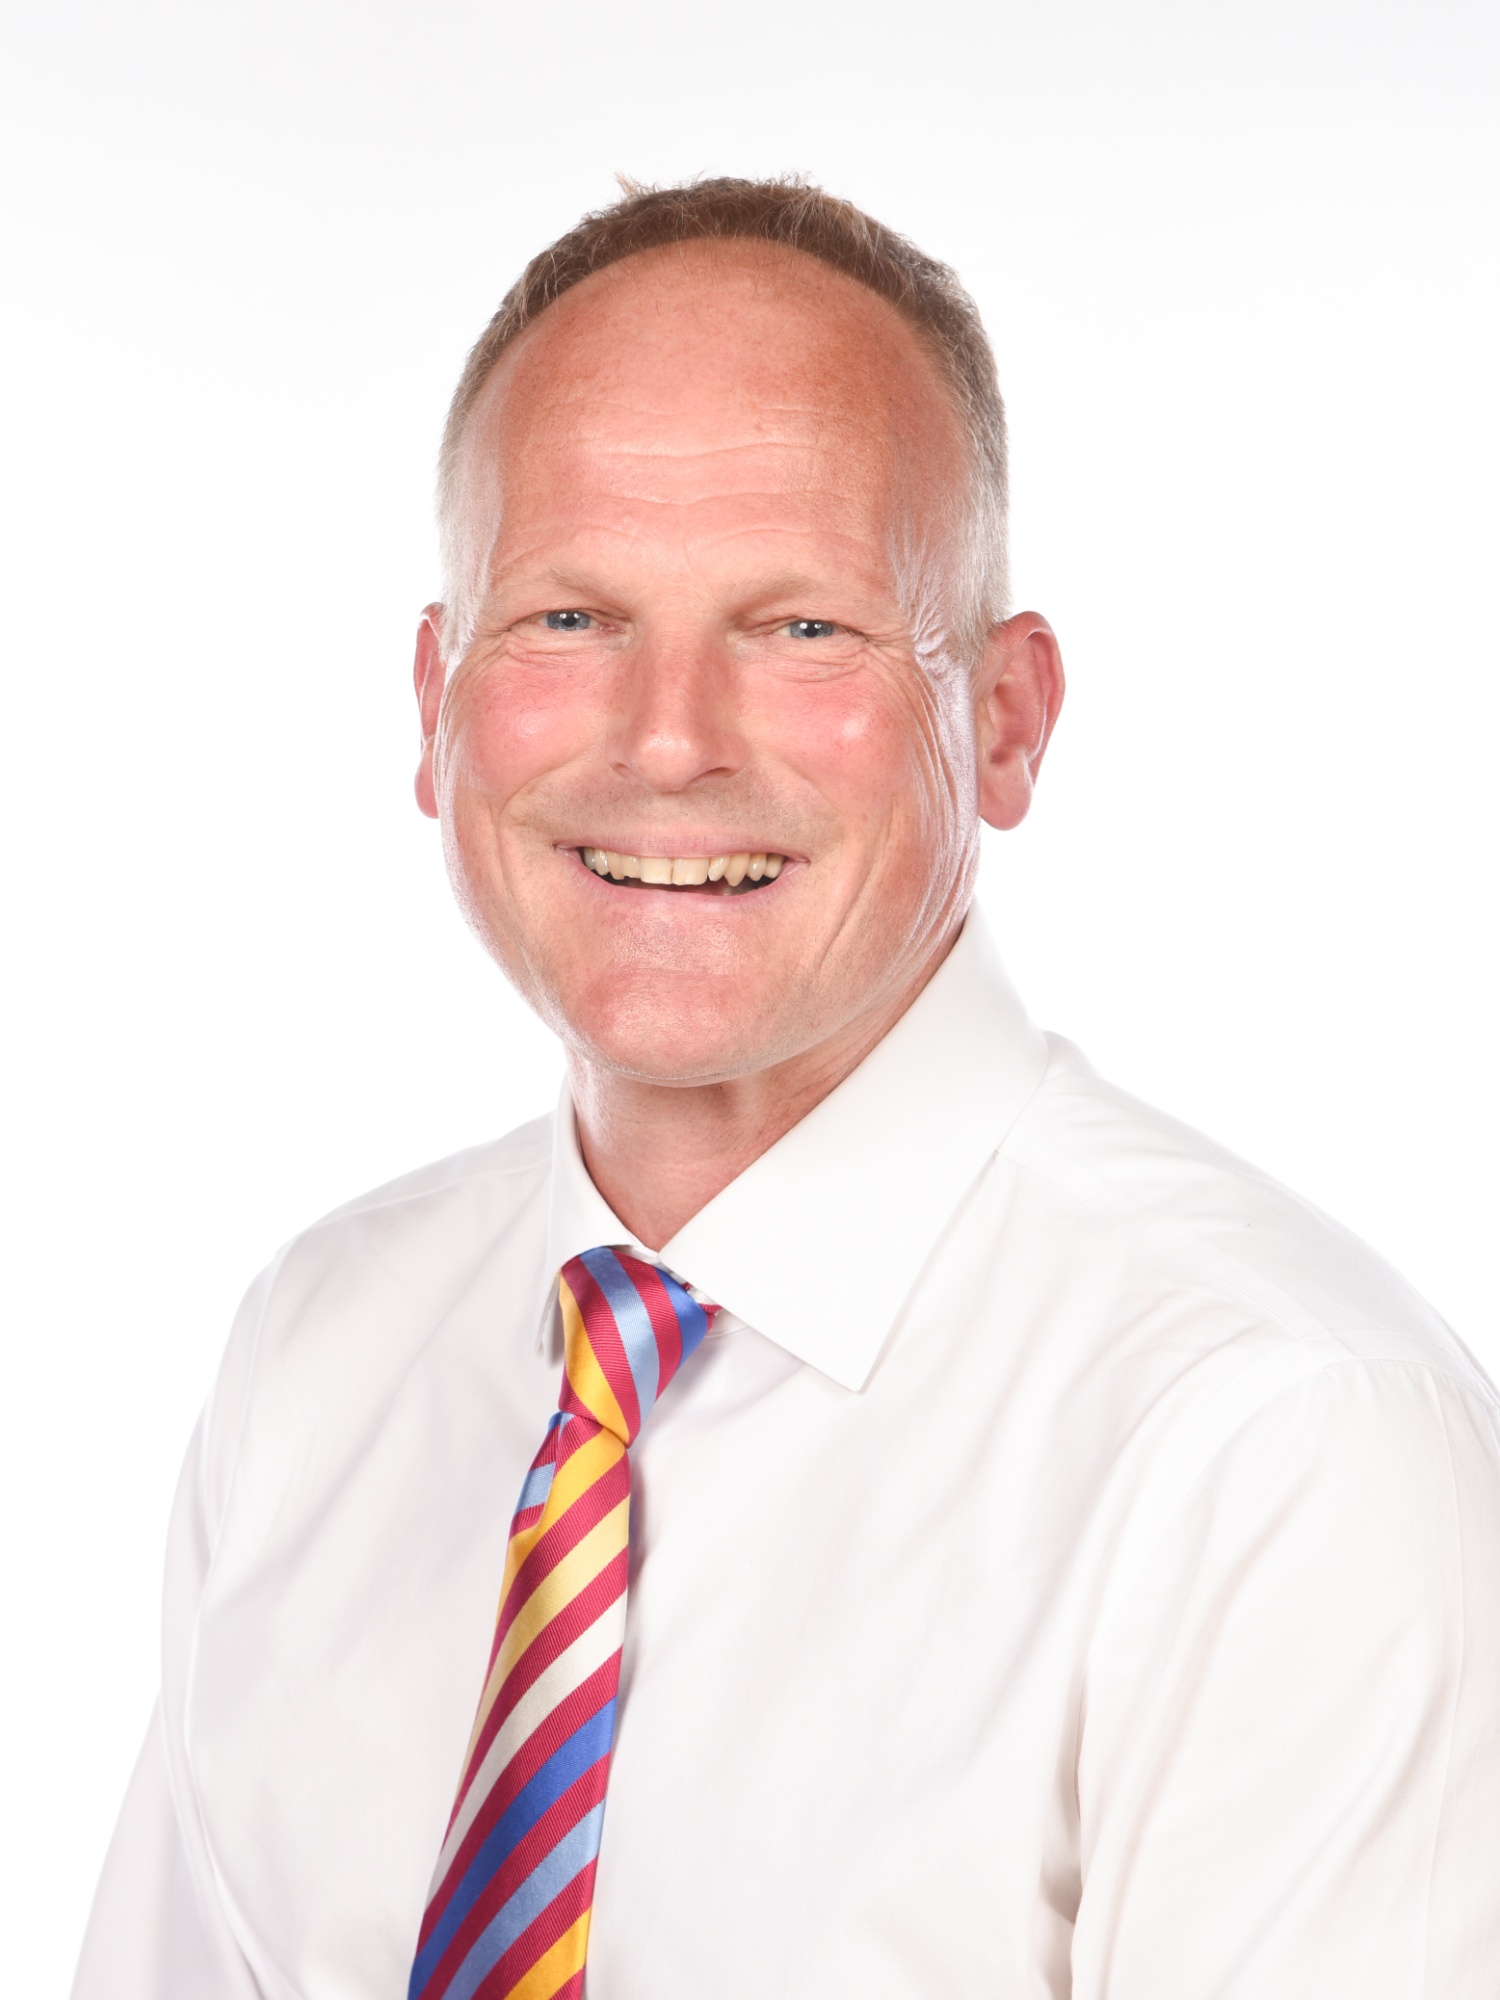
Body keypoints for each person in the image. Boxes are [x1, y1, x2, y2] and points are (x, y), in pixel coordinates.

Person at [73, 177, 1500, 2000]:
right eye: (569, 617)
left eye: (803, 627)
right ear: (434, 701)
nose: (668, 738)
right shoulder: (317, 1354)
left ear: (1006, 719)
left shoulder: (1282, 1451)